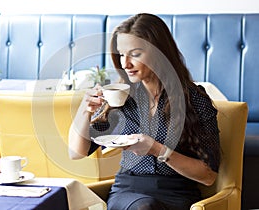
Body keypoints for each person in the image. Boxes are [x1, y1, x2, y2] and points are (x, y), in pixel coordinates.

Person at [69, 13, 221, 210]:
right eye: (121, 54)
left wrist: (158, 150)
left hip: (176, 193)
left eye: (135, 54)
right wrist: (85, 110)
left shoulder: (194, 100)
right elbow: (76, 153)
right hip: (127, 191)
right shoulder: (121, 97)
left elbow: (208, 176)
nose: (125, 64)